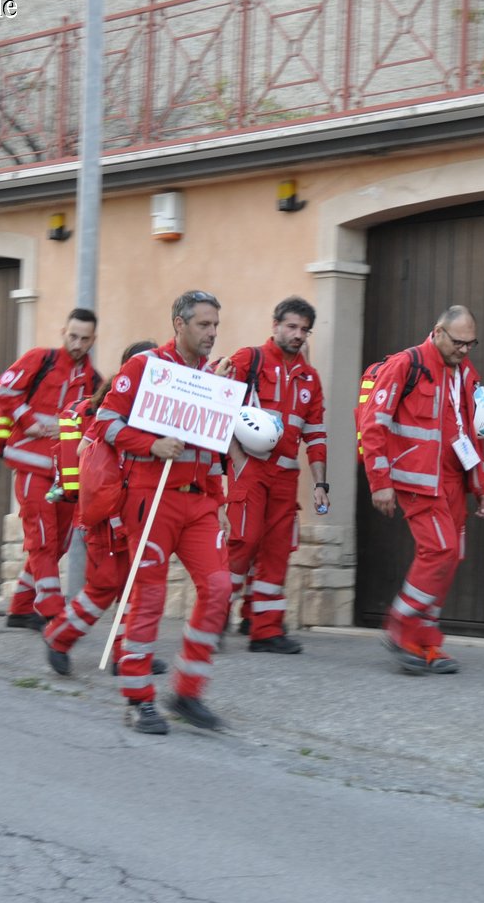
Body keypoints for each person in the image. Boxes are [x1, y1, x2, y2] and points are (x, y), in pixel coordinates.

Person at [87, 291, 234, 733]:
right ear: (179, 323)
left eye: (215, 326)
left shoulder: (210, 376)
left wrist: (220, 502)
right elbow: (105, 424)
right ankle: (138, 698)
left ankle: (187, 691)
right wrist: (150, 444)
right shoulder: (145, 366)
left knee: (219, 586)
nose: (211, 334)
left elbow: (213, 450)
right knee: (148, 598)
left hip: (199, 501)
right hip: (152, 497)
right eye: (204, 325)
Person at [358, 304, 484, 675]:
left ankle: (425, 640)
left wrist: (482, 485)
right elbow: (373, 425)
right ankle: (400, 625)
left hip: (454, 481)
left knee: (453, 556)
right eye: (458, 342)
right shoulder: (406, 364)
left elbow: (471, 433)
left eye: (471, 343)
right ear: (437, 331)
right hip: (418, 482)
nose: (464, 350)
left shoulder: (465, 373)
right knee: (440, 549)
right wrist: (380, 482)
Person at [40, 341, 168, 679]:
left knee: (134, 584)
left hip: (134, 513)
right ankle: (58, 637)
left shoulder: (155, 409)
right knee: (104, 585)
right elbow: (89, 454)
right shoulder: (108, 410)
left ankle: (124, 655)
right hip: (105, 516)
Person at [223, 296, 329, 654]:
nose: (298, 334)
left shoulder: (310, 378)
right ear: (276, 325)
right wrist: (236, 463)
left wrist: (320, 483)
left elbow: (315, 434)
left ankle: (265, 630)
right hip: (250, 471)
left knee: (277, 550)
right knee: (243, 541)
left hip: (285, 476)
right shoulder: (247, 360)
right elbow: (221, 413)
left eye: (304, 330)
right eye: (292, 327)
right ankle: (214, 614)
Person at [0, 308, 102, 631]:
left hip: (66, 474)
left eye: (84, 338)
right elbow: (2, 390)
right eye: (73, 336)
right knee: (42, 538)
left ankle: (21, 608)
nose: (78, 343)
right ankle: (53, 612)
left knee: (60, 543)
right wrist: (29, 421)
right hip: (30, 467)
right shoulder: (41, 359)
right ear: (63, 331)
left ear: (93, 340)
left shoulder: (94, 381)